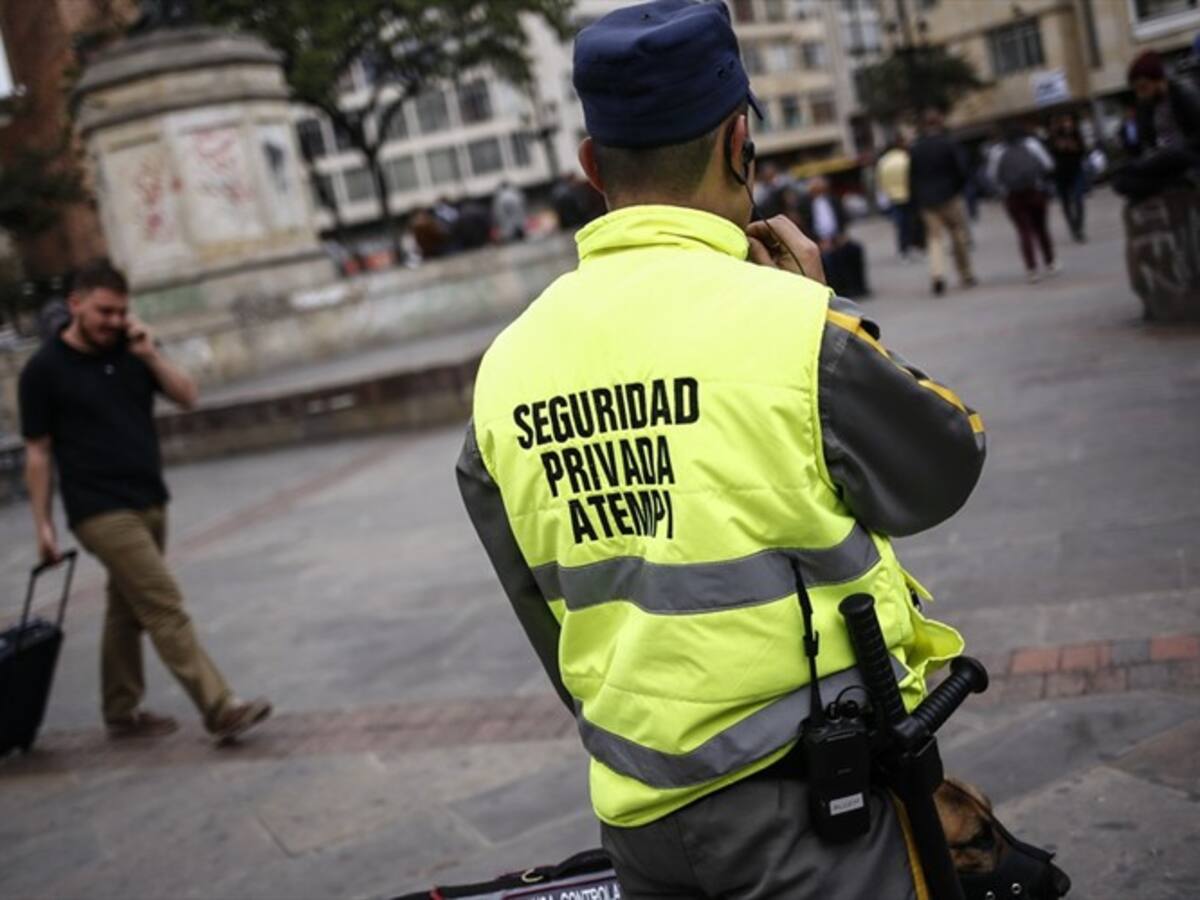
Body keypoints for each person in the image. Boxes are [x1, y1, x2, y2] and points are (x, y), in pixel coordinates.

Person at [456, 2, 986, 897]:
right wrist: (822, 312)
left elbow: (537, 604)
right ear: (741, 141)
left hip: (637, 815)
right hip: (809, 812)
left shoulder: (505, 365)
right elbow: (941, 468)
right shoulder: (789, 321)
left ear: (591, 165)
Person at [19, 260, 271, 742]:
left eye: (121, 312)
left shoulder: (133, 352)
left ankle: (119, 709)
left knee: (126, 606)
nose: (114, 321)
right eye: (103, 312)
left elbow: (188, 396)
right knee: (162, 603)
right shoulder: (43, 371)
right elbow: (37, 453)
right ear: (75, 305)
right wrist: (43, 526)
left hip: (150, 499)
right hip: (97, 510)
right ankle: (221, 707)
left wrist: (150, 353)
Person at [1112, 51, 1200, 201]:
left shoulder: (1183, 95)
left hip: (1186, 156)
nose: (1141, 94)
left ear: (1159, 81)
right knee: (1119, 178)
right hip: (1162, 162)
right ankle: (1174, 184)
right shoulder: (1146, 107)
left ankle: (1173, 183)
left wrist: (1174, 149)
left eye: (1144, 87)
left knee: (1172, 153)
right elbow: (1140, 146)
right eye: (1138, 90)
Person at [908, 108, 977, 296]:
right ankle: (966, 273)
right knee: (957, 235)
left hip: (927, 201)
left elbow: (912, 178)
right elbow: (961, 169)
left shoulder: (916, 148)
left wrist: (917, 200)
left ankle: (937, 275)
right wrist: (957, 189)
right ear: (939, 123)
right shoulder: (948, 144)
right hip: (950, 196)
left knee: (934, 239)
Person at [988, 123, 1058, 283]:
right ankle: (1050, 262)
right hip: (1035, 191)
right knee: (1041, 229)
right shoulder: (1032, 145)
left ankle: (1031, 269)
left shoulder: (997, 151)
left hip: (1012, 196)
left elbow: (992, 176)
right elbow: (1048, 165)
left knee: (1024, 231)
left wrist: (1002, 189)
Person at [794, 176, 870, 299]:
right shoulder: (804, 205)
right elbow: (804, 227)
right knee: (829, 258)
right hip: (818, 241)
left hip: (836, 237)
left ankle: (859, 287)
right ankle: (840, 291)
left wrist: (841, 236)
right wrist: (818, 241)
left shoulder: (833, 200)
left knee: (855, 249)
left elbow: (843, 219)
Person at [1047, 112, 1088, 242]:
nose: (1065, 124)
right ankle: (1073, 228)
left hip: (1076, 171)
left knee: (1078, 198)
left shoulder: (1076, 134)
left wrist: (1072, 146)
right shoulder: (1050, 139)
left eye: (1067, 121)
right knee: (1065, 204)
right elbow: (1048, 158)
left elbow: (1083, 151)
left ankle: (1079, 227)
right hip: (1060, 175)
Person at [875, 135, 916, 260]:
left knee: (900, 225)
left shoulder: (883, 161)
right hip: (907, 195)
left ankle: (903, 249)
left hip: (893, 197)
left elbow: (880, 182)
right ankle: (911, 245)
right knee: (909, 223)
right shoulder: (905, 158)